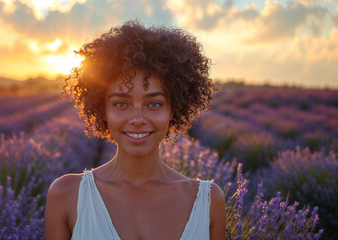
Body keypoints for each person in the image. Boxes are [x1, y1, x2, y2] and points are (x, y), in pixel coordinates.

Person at [44, 20, 226, 240]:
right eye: (121, 104)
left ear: (173, 109)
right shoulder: (65, 195)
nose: (138, 119)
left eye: (154, 104)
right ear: (103, 110)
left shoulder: (209, 201)